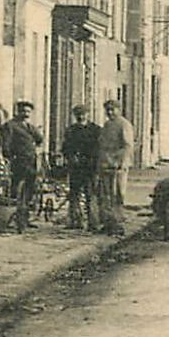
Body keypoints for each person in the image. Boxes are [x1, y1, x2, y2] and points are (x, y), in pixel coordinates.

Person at [2, 101, 43, 231]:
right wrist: (11, 158)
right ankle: (16, 220)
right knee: (18, 193)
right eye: (23, 111)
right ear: (17, 111)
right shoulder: (10, 126)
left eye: (28, 111)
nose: (25, 114)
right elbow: (6, 146)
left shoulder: (30, 127)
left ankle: (25, 219)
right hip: (18, 163)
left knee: (29, 192)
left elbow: (39, 139)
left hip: (31, 163)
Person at [96, 99, 133, 235]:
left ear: (119, 109)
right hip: (105, 164)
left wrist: (121, 162)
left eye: (113, 109)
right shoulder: (106, 125)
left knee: (117, 194)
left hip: (117, 165)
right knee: (105, 195)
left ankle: (118, 224)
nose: (110, 112)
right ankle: (108, 223)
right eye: (108, 110)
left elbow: (127, 146)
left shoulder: (124, 124)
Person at [65, 104, 101, 230]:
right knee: (74, 194)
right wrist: (71, 156)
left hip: (90, 167)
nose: (80, 116)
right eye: (78, 114)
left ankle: (93, 222)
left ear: (88, 114)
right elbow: (66, 147)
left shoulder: (96, 130)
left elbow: (98, 149)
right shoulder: (71, 130)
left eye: (83, 114)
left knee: (91, 194)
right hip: (75, 167)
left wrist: (92, 161)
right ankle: (75, 221)